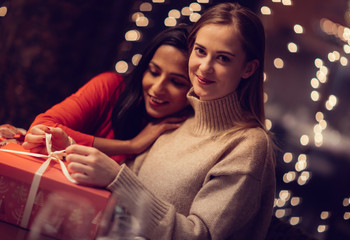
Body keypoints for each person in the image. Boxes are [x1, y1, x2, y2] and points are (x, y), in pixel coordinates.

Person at [64, 2, 276, 239]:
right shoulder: (178, 118)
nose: (205, 67)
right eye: (200, 51)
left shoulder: (248, 146)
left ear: (248, 69)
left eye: (223, 58)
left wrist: (117, 179)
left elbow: (200, 236)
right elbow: (121, 210)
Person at [22, 25, 192, 163]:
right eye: (154, 72)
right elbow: (43, 126)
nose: (157, 88)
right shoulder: (112, 86)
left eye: (176, 82)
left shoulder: (185, 127)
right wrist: (130, 146)